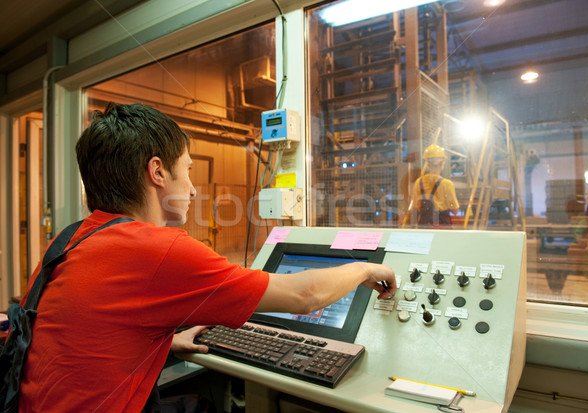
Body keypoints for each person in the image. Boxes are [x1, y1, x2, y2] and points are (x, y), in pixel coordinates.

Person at [16, 103, 396, 412]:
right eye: (188, 171)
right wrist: (363, 266)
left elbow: (85, 341)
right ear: (158, 172)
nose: (194, 189)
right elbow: (304, 296)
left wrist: (164, 343)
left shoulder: (71, 239)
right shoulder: (156, 250)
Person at [410, 144, 459, 227]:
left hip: (424, 226)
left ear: (428, 164)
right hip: (441, 226)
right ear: (441, 162)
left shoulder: (418, 182)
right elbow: (454, 210)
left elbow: (416, 206)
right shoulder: (447, 184)